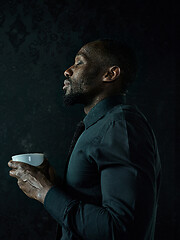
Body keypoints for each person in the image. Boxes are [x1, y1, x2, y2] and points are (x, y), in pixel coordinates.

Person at [8, 39, 161, 240]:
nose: (68, 71)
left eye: (79, 62)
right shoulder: (101, 125)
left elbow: (121, 229)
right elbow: (94, 202)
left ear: (110, 74)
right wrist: (54, 184)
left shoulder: (118, 126)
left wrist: (45, 193)